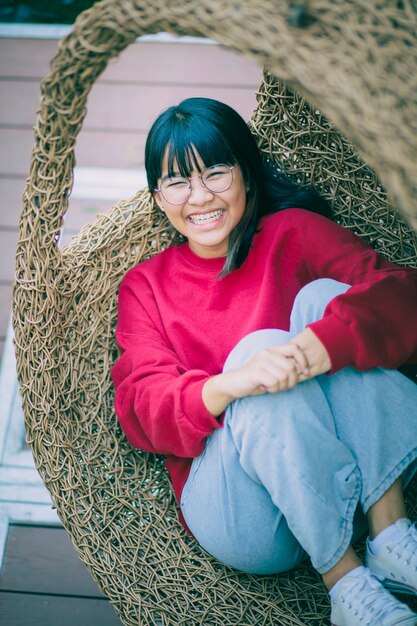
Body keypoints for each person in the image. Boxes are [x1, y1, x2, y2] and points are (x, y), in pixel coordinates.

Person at [111, 97, 417, 626]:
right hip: (246, 517)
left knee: (326, 298)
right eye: (178, 182)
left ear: (247, 176)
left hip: (347, 483)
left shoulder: (293, 233)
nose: (199, 197)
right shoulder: (147, 285)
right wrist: (234, 383)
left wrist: (327, 343)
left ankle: (391, 535)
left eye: (215, 172)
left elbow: (403, 297)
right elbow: (142, 407)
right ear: (158, 197)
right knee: (255, 355)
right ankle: (345, 583)